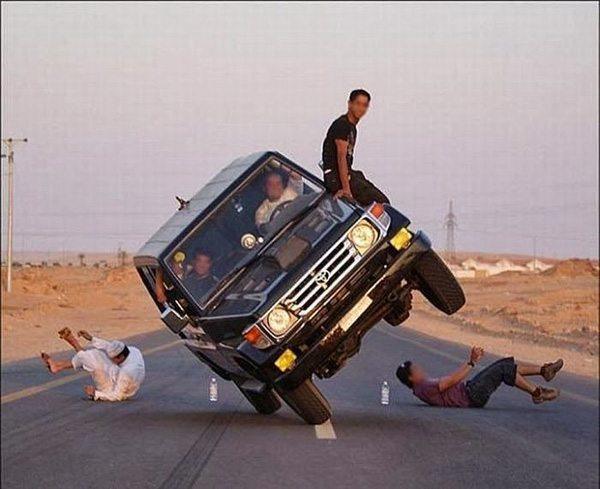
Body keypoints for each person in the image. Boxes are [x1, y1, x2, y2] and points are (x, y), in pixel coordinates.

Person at [395, 346, 563, 407]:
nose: (419, 368)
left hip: (470, 390)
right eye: (415, 369)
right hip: (471, 395)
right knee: (504, 369)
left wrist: (470, 362)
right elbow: (452, 380)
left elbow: (451, 381)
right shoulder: (423, 387)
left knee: (504, 364)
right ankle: (537, 393)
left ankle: (544, 371)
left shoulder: (422, 387)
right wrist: (471, 362)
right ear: (411, 378)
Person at [321, 88, 389, 206]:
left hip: (346, 174)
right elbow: (341, 158)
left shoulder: (352, 128)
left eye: (365, 105)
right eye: (358, 104)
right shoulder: (342, 125)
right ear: (350, 104)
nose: (361, 108)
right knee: (380, 202)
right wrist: (346, 189)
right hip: (334, 176)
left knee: (373, 192)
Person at [40, 327, 145, 402]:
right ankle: (58, 364)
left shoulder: (126, 373)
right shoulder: (132, 350)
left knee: (95, 365)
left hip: (115, 389)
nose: (110, 359)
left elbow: (118, 395)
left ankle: (68, 351)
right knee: (96, 354)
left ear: (121, 357)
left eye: (112, 358)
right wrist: (91, 338)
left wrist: (96, 394)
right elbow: (109, 346)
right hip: (118, 374)